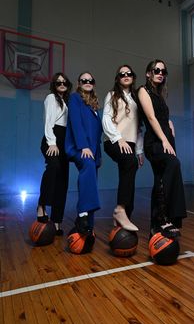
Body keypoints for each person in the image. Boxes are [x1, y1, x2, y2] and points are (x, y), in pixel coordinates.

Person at [137, 59, 186, 238]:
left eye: (163, 71)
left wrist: (170, 122)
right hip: (156, 142)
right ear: (148, 73)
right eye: (156, 70)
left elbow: (161, 115)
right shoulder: (143, 90)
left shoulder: (160, 94)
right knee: (174, 165)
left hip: (167, 139)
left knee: (159, 180)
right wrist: (164, 140)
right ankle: (165, 217)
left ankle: (154, 227)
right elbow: (150, 117)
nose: (160, 73)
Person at [102, 65, 144, 231]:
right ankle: (120, 210)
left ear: (133, 77)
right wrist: (118, 138)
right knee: (130, 163)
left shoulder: (136, 100)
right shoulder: (112, 95)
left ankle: (125, 218)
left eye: (129, 74)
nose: (126, 76)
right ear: (118, 78)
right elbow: (105, 119)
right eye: (122, 74)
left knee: (129, 173)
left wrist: (139, 150)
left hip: (131, 143)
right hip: (114, 140)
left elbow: (138, 128)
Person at [65, 72, 102, 235]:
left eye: (90, 80)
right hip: (78, 147)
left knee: (91, 183)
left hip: (94, 152)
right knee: (87, 165)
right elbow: (75, 122)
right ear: (79, 83)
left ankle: (89, 226)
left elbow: (97, 133)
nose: (87, 82)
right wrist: (83, 146)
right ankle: (81, 215)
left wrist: (97, 154)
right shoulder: (74, 98)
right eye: (84, 80)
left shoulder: (94, 106)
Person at [37, 72, 72, 235]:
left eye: (64, 82)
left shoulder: (68, 101)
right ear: (54, 85)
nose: (62, 84)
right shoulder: (51, 98)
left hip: (64, 142)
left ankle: (57, 221)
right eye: (58, 83)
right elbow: (48, 121)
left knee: (63, 181)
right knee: (53, 167)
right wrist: (52, 142)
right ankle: (41, 205)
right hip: (53, 139)